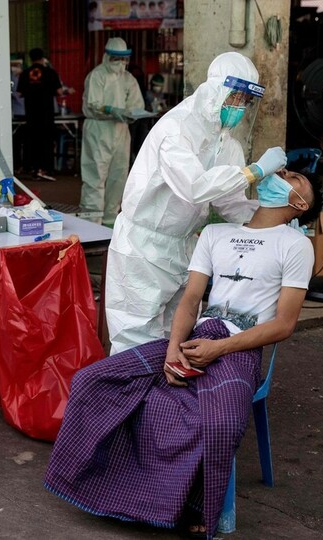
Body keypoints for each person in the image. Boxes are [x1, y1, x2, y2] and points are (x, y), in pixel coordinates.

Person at [45, 169, 323, 539]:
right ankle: (96, 484)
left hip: (239, 348)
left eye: (295, 178)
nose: (282, 173)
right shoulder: (216, 233)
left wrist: (219, 349)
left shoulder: (295, 246)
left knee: (220, 422)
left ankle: (191, 507)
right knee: (92, 379)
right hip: (195, 338)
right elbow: (191, 300)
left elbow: (284, 325)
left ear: (299, 204)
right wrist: (173, 350)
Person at [105, 51, 288, 354]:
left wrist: (273, 218)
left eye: (245, 101)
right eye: (235, 97)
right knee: (135, 337)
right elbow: (194, 187)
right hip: (143, 246)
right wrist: (254, 171)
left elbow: (229, 203)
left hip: (183, 246)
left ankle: (165, 401)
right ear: (217, 90)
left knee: (175, 336)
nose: (239, 106)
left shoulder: (225, 141)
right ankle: (129, 400)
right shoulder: (176, 128)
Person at [80, 37, 145, 225]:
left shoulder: (128, 78)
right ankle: (91, 221)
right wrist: (111, 110)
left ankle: (110, 220)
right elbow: (94, 104)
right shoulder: (97, 75)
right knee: (95, 174)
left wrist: (131, 113)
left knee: (119, 175)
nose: (120, 63)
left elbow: (136, 104)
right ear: (107, 57)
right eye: (116, 59)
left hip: (121, 129)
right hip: (99, 129)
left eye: (123, 59)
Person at [17, 48, 63, 181]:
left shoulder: (25, 74)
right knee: (47, 141)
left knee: (33, 141)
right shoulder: (50, 72)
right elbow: (59, 92)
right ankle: (47, 169)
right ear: (43, 58)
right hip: (47, 114)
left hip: (31, 114)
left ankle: (34, 169)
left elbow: (19, 93)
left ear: (30, 59)